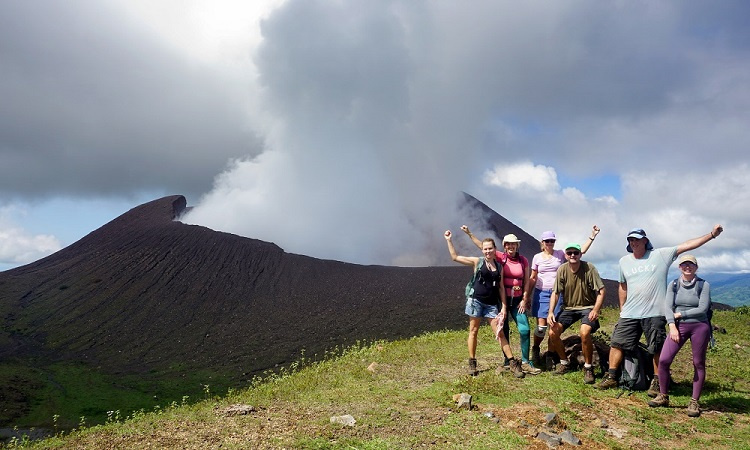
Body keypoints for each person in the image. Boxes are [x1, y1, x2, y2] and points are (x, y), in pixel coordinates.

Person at [596, 225, 724, 394]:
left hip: (655, 312)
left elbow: (687, 245)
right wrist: (622, 308)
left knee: (656, 347)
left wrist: (711, 235)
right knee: (617, 343)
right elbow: (622, 286)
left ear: (645, 241)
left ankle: (657, 380)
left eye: (636, 239)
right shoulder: (623, 261)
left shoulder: (660, 255)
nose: (633, 242)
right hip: (630, 313)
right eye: (630, 240)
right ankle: (612, 376)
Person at [444, 230, 525, 378]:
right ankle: (472, 362)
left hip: (491, 304)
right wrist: (449, 240)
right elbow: (455, 257)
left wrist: (504, 307)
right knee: (473, 331)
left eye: (490, 248)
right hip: (475, 301)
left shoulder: (499, 266)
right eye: (485, 249)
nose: (488, 251)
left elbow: (501, 288)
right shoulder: (478, 262)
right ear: (482, 250)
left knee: (499, 332)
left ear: (495, 250)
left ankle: (512, 362)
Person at [461, 226, 539, 375]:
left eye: (513, 244)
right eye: (508, 244)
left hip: (517, 300)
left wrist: (525, 298)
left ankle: (525, 361)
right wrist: (470, 234)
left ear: (517, 245)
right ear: (504, 246)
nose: (511, 246)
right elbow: (483, 247)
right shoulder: (500, 257)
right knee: (503, 330)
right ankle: (507, 361)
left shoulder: (523, 260)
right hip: (501, 300)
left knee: (525, 329)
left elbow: (527, 281)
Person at [648, 254, 711, 417]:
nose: (687, 267)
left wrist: (680, 314)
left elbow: (702, 308)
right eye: (684, 264)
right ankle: (663, 395)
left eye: (691, 264)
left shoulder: (704, 285)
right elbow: (668, 306)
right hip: (678, 326)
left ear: (696, 267)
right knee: (663, 360)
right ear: (679, 267)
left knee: (698, 362)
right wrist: (672, 325)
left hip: (700, 326)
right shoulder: (674, 284)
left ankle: (694, 401)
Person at [529, 226, 600, 368]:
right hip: (541, 292)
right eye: (547, 241)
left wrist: (592, 236)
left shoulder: (561, 254)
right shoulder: (537, 257)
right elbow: (533, 277)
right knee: (541, 328)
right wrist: (526, 296)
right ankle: (535, 348)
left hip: (557, 293)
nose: (550, 243)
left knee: (553, 325)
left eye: (552, 241)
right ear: (542, 242)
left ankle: (550, 354)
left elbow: (581, 251)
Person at [547, 243, 606, 384]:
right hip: (568, 308)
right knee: (552, 333)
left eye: (576, 252)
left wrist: (595, 310)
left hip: (588, 307)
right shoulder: (562, 269)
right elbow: (555, 293)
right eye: (569, 253)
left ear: (580, 254)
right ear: (566, 255)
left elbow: (601, 291)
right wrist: (550, 312)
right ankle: (564, 362)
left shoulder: (589, 268)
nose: (572, 255)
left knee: (584, 332)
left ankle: (588, 367)